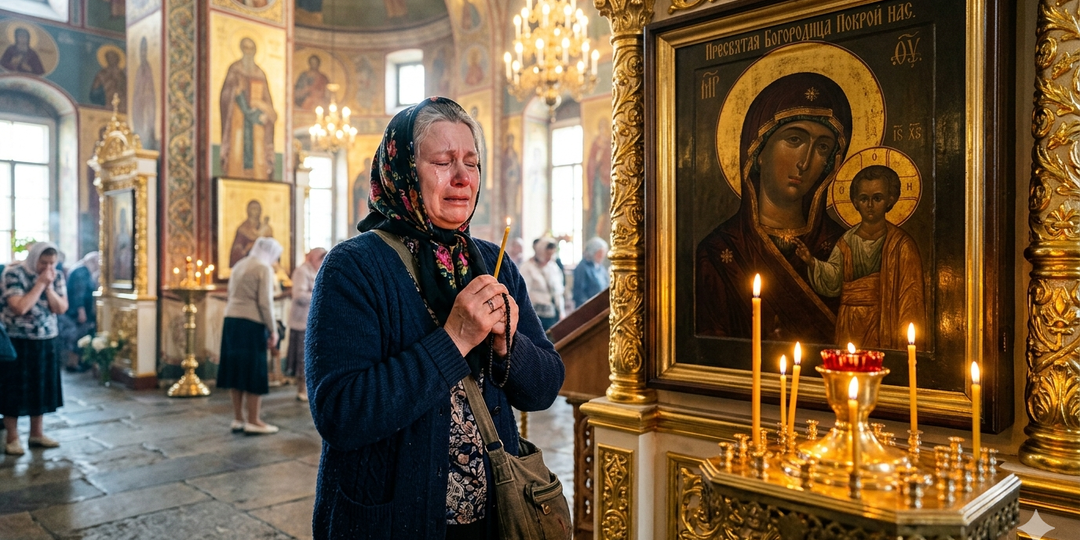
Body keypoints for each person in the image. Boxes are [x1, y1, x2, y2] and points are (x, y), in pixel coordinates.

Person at [306, 97, 564, 538]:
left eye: (472, 162)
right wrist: (455, 339)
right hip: (391, 520)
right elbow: (341, 413)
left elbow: (545, 389)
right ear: (403, 170)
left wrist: (506, 347)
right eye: (443, 162)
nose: (463, 178)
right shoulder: (353, 267)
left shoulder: (492, 262)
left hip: (491, 521)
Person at [696, 72, 852, 344]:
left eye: (823, 147)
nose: (805, 162)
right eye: (794, 140)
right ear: (758, 151)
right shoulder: (720, 251)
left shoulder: (844, 246)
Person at [796, 165, 926, 348]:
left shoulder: (901, 245)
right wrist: (812, 262)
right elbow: (833, 280)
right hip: (850, 321)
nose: (870, 205)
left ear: (890, 200)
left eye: (877, 198)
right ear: (855, 202)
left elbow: (910, 298)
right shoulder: (847, 241)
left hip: (884, 321)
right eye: (864, 199)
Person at [0, 242, 68, 455]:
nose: (48, 267)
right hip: (17, 339)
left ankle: (36, 434)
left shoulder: (54, 276)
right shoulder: (13, 273)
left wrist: (48, 287)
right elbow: (19, 307)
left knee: (40, 388)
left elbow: (61, 308)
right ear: (33, 259)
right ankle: (12, 437)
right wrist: (40, 284)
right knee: (14, 389)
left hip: (46, 338)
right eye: (43, 262)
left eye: (52, 263)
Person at [218, 236, 283, 435]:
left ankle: (238, 419)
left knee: (236, 369)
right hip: (251, 323)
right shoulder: (263, 268)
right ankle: (254, 420)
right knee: (254, 370)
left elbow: (230, 294)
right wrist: (273, 330)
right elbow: (265, 303)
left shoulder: (240, 264)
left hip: (231, 321)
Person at [220, 37, 277, 180]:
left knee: (258, 154)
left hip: (257, 125)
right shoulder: (234, 69)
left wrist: (264, 110)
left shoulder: (260, 73)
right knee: (238, 149)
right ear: (241, 49)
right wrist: (235, 92)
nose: (248, 52)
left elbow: (268, 102)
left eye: (251, 48)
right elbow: (225, 96)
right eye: (245, 48)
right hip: (237, 120)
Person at [285, 247, 325, 402]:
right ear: (312, 258)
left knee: (311, 356)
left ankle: (308, 387)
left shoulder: (314, 270)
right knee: (302, 357)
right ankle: (302, 389)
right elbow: (299, 295)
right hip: (301, 321)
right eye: (320, 259)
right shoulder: (302, 271)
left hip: (311, 320)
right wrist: (320, 291)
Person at [59, 251, 100, 371]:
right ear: (93, 261)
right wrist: (81, 312)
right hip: (76, 313)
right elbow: (79, 294)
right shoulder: (81, 272)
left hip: (76, 311)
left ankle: (76, 363)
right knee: (76, 337)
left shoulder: (80, 269)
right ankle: (72, 364)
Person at [520, 236, 565, 329]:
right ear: (540, 252)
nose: (549, 257)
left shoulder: (553, 267)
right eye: (547, 254)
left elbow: (558, 291)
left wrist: (561, 311)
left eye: (552, 254)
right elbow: (523, 291)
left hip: (552, 313)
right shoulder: (528, 267)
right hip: (535, 314)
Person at [229, 199, 274, 267]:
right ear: (248, 211)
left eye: (258, 209)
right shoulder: (243, 229)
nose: (256, 211)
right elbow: (236, 252)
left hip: (263, 266)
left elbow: (273, 251)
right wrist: (247, 248)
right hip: (247, 266)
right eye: (253, 208)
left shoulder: (266, 229)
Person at [573, 237, 609, 307]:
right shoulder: (582, 267)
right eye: (600, 253)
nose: (602, 256)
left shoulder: (600, 267)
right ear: (593, 252)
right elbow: (579, 293)